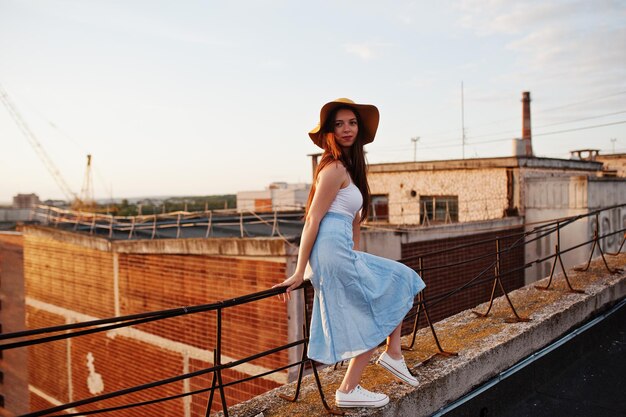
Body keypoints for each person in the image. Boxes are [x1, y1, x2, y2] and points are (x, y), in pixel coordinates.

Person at [274, 98, 426, 408]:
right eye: (339, 124)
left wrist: (358, 259)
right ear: (330, 131)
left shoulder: (350, 170)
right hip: (329, 251)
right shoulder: (332, 168)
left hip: (342, 250)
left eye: (352, 123)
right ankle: (351, 388)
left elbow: (354, 224)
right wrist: (299, 270)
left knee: (399, 280)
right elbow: (313, 220)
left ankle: (392, 354)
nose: (346, 129)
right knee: (380, 303)